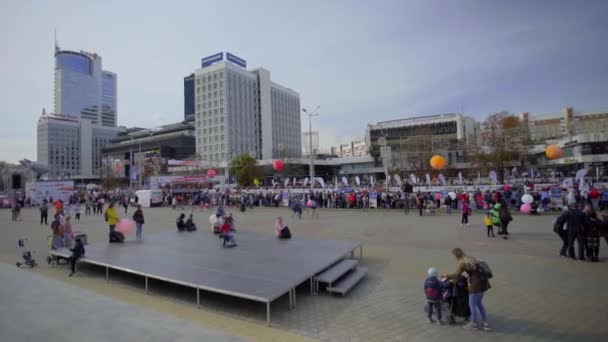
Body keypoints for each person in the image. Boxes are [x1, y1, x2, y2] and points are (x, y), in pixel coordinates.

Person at [443, 248, 491, 331]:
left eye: (453, 256)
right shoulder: (470, 258)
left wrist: (446, 275)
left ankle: (473, 324)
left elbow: (456, 274)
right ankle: (485, 322)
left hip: (476, 285)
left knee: (472, 305)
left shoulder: (463, 263)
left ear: (456, 255)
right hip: (484, 283)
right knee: (479, 303)